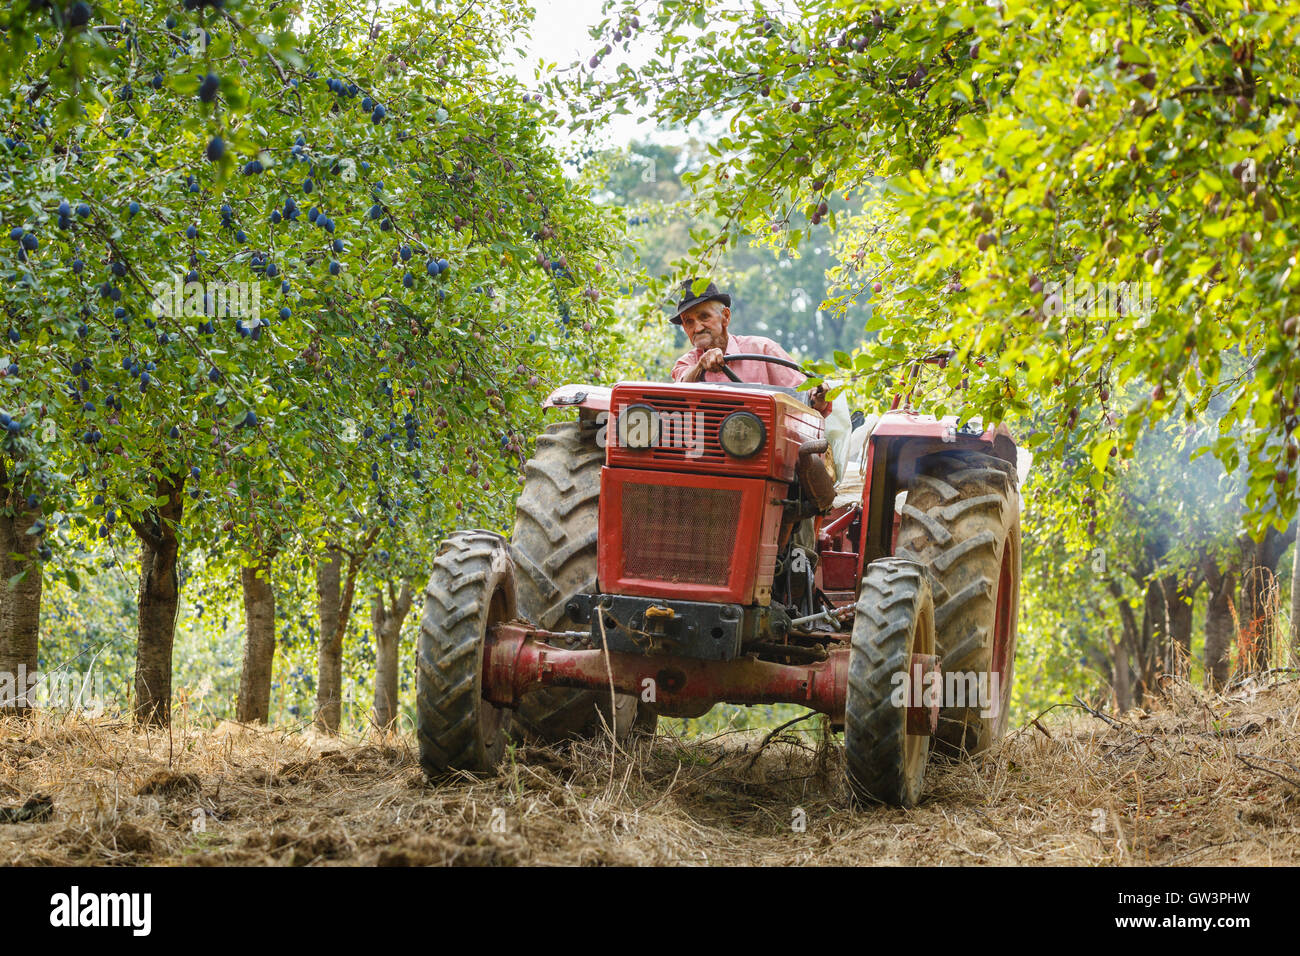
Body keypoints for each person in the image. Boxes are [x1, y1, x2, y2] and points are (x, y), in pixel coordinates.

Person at [669, 280, 831, 415]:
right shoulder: (687, 363)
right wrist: (700, 365)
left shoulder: (763, 349)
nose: (696, 328)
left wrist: (818, 396)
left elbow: (806, 396)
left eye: (704, 316)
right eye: (688, 322)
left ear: (725, 317)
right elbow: (679, 391)